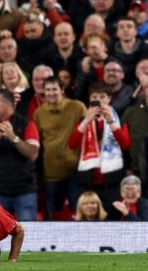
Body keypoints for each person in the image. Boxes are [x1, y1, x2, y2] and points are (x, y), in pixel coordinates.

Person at [0, 90, 40, 221]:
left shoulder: (27, 124)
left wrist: (13, 137)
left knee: (28, 234)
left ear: (8, 105)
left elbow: (33, 154)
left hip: (24, 191)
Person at [32, 76, 86, 215]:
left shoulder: (77, 107)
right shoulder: (39, 113)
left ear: (62, 90)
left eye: (54, 89)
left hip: (75, 169)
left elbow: (89, 132)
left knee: (78, 213)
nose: (51, 93)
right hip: (50, 172)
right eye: (47, 90)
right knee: (53, 215)